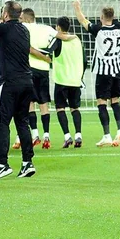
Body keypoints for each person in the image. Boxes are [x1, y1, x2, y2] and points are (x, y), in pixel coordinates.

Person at [0, 1, 39, 180]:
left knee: (1, 122)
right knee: (22, 122)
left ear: (5, 14)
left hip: (9, 82)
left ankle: (2, 164)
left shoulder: (4, 28)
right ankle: (27, 162)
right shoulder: (24, 30)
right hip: (26, 81)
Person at [74, 0, 120, 147]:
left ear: (101, 17)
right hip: (117, 69)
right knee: (115, 101)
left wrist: (77, 7)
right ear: (113, 17)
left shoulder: (98, 30)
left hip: (103, 71)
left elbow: (82, 20)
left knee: (101, 102)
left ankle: (106, 135)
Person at [21, 8, 57, 150]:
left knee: (30, 103)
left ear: (26, 18)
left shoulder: (24, 27)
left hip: (29, 69)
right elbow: (58, 38)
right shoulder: (46, 28)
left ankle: (35, 134)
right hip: (43, 70)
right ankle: (46, 135)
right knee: (44, 103)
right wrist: (48, 55)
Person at [46, 16, 85, 149]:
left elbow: (46, 52)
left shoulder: (57, 40)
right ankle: (78, 135)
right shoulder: (77, 40)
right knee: (75, 108)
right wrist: (81, 76)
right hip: (75, 80)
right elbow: (84, 60)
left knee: (60, 108)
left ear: (58, 27)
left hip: (62, 80)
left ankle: (67, 136)